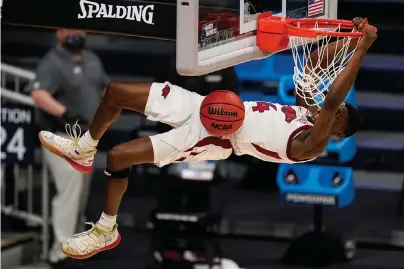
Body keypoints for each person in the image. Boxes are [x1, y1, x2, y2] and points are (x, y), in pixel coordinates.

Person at [38, 18, 376, 259]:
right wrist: (348, 38)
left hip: (217, 136)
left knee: (119, 157)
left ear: (337, 131)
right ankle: (84, 147)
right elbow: (315, 63)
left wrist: (362, 48)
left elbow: (332, 100)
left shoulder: (312, 145)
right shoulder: (306, 111)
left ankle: (105, 229)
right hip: (207, 106)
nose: (329, 110)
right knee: (116, 92)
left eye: (337, 115)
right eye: (336, 109)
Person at [29, 29, 109, 263]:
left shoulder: (91, 58)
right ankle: (61, 248)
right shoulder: (52, 61)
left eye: (79, 29)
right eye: (70, 29)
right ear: (59, 33)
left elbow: (105, 87)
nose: (76, 34)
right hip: (61, 136)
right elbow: (39, 94)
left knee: (81, 194)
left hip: (87, 138)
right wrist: (65, 112)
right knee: (69, 193)